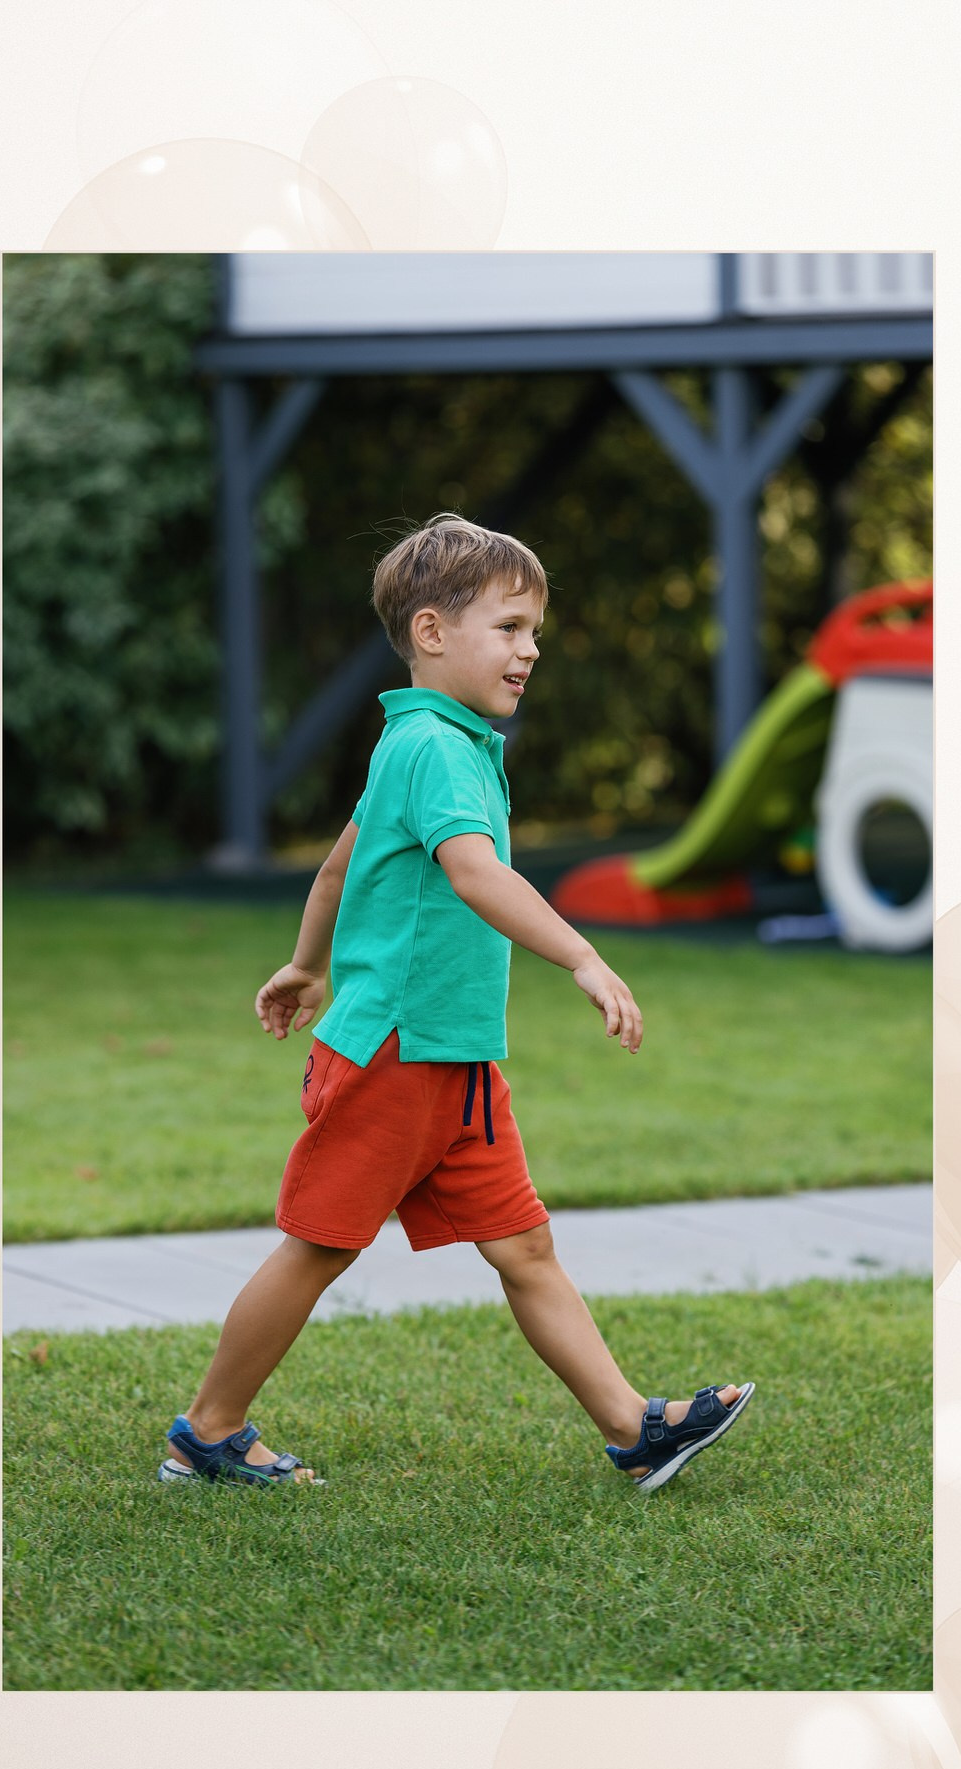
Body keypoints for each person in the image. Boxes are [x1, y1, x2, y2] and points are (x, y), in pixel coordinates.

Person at [161, 513, 753, 1494]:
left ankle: (631, 1428)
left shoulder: (439, 742)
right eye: (510, 627)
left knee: (523, 1244)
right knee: (319, 1247)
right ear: (431, 632)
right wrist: (581, 958)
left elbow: (335, 871)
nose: (529, 651)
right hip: (397, 1055)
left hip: (453, 1057)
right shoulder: (434, 748)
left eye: (533, 634)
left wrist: (306, 966)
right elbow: (474, 874)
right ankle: (209, 1432)